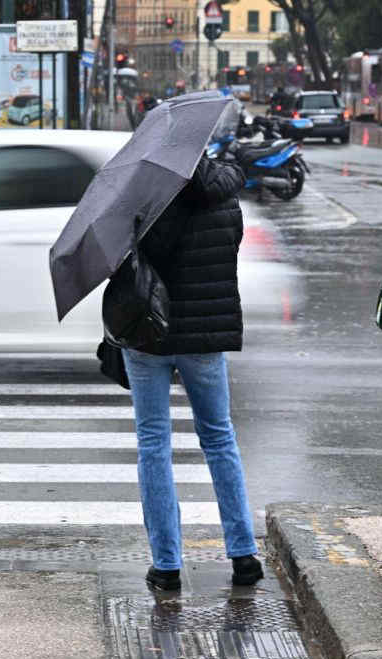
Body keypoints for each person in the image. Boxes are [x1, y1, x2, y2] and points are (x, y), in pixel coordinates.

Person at [111, 154, 263, 593]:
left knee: (154, 442)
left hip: (149, 335)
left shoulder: (147, 196)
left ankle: (166, 565)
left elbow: (127, 263)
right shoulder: (225, 195)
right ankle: (243, 555)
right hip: (205, 336)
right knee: (219, 437)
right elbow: (228, 252)